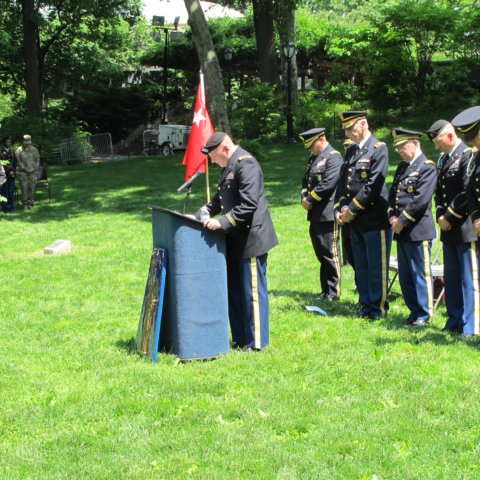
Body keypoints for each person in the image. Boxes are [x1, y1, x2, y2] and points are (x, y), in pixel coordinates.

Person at [196, 132, 278, 350]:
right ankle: (241, 339)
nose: (212, 161)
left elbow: (249, 204)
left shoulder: (246, 164)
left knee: (251, 293)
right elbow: (220, 199)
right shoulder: (229, 166)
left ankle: (257, 341)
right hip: (234, 239)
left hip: (251, 239)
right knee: (235, 293)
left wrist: (222, 223)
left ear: (224, 148)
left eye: (213, 156)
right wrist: (201, 213)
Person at [334, 111, 391, 320]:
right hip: (354, 220)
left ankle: (378, 308)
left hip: (374, 218)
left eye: (351, 128)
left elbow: (373, 185)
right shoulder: (352, 151)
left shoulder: (378, 149)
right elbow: (343, 183)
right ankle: (366, 305)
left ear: (364, 124)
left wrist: (352, 209)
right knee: (362, 266)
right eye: (347, 129)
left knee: (377, 267)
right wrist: (341, 208)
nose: (349, 132)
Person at [426, 119, 478, 335]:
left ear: (449, 136)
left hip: (465, 227)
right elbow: (440, 192)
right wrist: (440, 215)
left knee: (468, 279)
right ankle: (454, 319)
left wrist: (450, 216)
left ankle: (470, 324)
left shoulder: (468, 155)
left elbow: (468, 192)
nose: (436, 147)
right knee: (452, 278)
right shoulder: (442, 159)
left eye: (438, 142)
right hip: (448, 229)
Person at [388, 128, 437, 327]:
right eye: (397, 147)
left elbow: (420, 200)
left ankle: (425, 314)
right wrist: (392, 216)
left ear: (415, 143)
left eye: (402, 146)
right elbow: (393, 195)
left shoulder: (427, 167)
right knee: (406, 275)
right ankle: (413, 310)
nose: (399, 150)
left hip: (418, 230)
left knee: (420, 274)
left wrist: (401, 221)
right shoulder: (402, 167)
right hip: (401, 231)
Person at [299, 127, 343, 301]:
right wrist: (304, 195)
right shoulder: (314, 158)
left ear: (322, 138)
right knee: (320, 253)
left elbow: (329, 183)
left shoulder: (333, 157)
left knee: (330, 253)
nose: (310, 149)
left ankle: (334, 291)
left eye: (311, 145)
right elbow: (306, 181)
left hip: (328, 212)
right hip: (316, 214)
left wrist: (310, 199)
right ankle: (325, 290)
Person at [452, 106, 480, 336]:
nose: (471, 142)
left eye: (473, 136)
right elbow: (470, 190)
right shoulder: (474, 157)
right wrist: (477, 217)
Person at [15, 134, 40, 210]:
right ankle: (25, 204)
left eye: (28, 140)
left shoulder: (34, 149)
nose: (27, 142)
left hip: (33, 172)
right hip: (23, 172)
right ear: (22, 141)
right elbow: (18, 161)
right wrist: (25, 169)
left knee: (31, 188)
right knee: (24, 188)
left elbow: (37, 160)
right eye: (25, 140)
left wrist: (33, 169)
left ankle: (31, 203)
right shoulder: (18, 150)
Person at [0, 136, 16, 212]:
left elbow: (14, 162)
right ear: (4, 142)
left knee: (11, 190)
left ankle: (11, 206)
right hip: (3, 174)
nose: (8, 143)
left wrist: (12, 171)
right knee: (4, 191)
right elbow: (1, 163)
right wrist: (8, 171)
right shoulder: (1, 151)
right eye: (7, 142)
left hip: (12, 174)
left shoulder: (12, 151)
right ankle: (5, 207)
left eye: (9, 142)